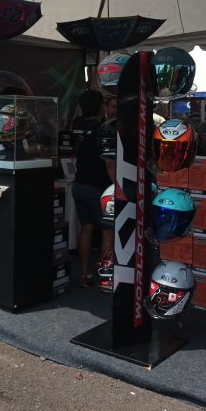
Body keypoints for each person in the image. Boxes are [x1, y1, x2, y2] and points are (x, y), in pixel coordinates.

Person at [71, 89, 114, 287]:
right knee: (107, 232)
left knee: (86, 230)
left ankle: (85, 274)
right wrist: (117, 186)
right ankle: (106, 278)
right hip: (99, 188)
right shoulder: (103, 129)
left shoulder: (77, 124)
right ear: (100, 106)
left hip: (78, 185)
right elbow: (109, 163)